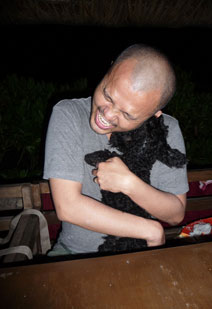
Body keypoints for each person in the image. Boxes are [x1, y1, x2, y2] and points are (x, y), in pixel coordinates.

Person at [43, 44, 188, 255]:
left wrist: (129, 183)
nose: (107, 115)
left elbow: (175, 214)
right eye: (108, 96)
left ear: (154, 115)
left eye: (127, 115)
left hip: (139, 255)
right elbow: (68, 206)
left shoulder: (167, 130)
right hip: (74, 255)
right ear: (110, 70)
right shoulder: (68, 114)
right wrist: (150, 230)